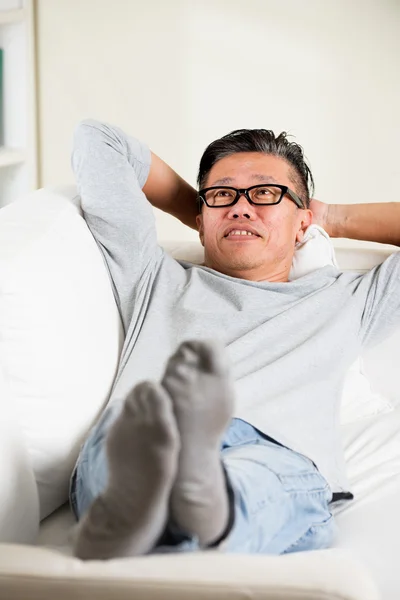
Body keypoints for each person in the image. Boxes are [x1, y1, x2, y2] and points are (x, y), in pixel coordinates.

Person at [69, 119, 400, 560]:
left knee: (259, 476)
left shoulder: (351, 300)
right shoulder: (152, 277)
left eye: (266, 193)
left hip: (273, 452)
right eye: (224, 194)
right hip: (151, 434)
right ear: (200, 220)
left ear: (302, 224)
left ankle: (189, 503)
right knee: (128, 436)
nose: (242, 207)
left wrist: (331, 217)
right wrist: (209, 215)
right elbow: (98, 140)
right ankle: (177, 506)